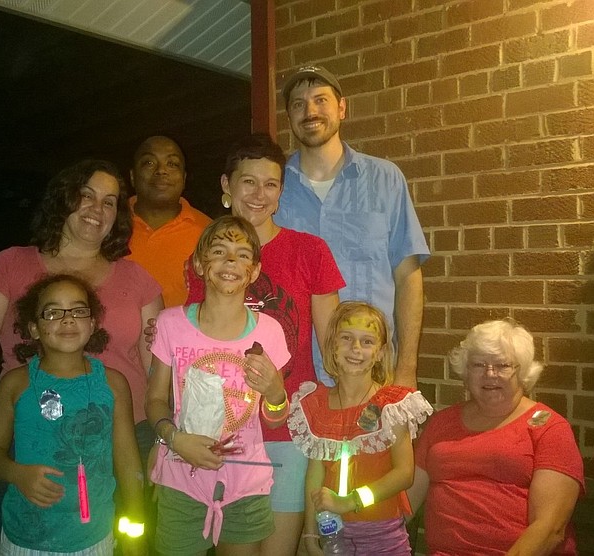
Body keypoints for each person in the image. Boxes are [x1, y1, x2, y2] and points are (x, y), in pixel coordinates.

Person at [0, 159, 164, 504]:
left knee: (127, 540)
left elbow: (158, 369)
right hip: (33, 433)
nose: (98, 209)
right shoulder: (10, 265)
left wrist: (164, 438)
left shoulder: (138, 279)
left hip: (126, 437)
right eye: (87, 195)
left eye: (109, 202)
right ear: (64, 199)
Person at [185, 133, 345, 555]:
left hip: (286, 426)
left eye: (271, 184)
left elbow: (332, 345)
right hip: (225, 431)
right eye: (248, 182)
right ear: (226, 186)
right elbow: (192, 343)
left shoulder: (310, 251)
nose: (259, 194)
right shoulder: (205, 256)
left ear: (280, 193)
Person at [275, 64, 430, 388]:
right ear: (289, 116)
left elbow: (408, 278)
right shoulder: (275, 189)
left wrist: (405, 370)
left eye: (320, 100)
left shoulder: (385, 180)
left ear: (342, 107)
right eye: (298, 104)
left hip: (373, 373)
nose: (310, 111)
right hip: (296, 381)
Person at [146, 215, 291, 556]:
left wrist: (274, 392)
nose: (231, 261)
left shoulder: (269, 331)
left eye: (243, 254)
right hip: (182, 476)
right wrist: (174, 439)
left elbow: (276, 417)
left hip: (246, 483)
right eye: (220, 251)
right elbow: (154, 399)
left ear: (254, 271)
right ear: (199, 263)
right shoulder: (170, 323)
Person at [0, 274, 145, 556]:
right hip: (24, 539)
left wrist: (136, 531)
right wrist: (16, 473)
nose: (68, 320)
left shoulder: (114, 384)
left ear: (92, 324)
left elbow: (128, 462)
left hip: (95, 540)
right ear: (34, 328)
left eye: (79, 311)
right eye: (53, 312)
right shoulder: (15, 384)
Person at [408, 320, 584, 555]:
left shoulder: (550, 428)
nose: (490, 374)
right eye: (479, 365)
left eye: (502, 365)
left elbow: (550, 529)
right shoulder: (442, 423)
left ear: (521, 371)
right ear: (466, 372)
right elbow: (405, 502)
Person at [288, 301, 433, 555]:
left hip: (383, 534)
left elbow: (404, 473)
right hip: (331, 533)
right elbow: (315, 475)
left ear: (379, 352)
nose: (356, 349)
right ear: (332, 345)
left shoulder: (392, 405)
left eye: (367, 342)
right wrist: (310, 533)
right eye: (346, 338)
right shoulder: (316, 403)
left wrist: (352, 500)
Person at [127, 135, 211, 307]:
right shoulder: (109, 225)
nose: (161, 170)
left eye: (172, 164)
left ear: (184, 178)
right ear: (133, 176)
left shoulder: (209, 232)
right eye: (149, 163)